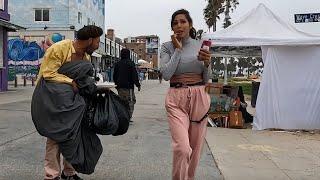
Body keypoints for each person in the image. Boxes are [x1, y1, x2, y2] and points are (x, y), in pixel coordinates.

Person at [36, 25, 103, 180]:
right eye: (98, 41)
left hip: (74, 101)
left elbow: (82, 80)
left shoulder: (85, 56)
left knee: (74, 135)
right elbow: (48, 73)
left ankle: (69, 172)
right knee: (55, 136)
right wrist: (70, 81)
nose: (98, 45)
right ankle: (51, 175)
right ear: (90, 40)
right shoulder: (59, 49)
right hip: (52, 98)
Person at [160, 9, 212, 180]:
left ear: (190, 24)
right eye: (175, 23)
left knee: (195, 149)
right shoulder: (167, 47)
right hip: (176, 98)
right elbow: (166, 74)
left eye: (183, 21)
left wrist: (206, 63)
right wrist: (178, 49)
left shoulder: (200, 45)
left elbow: (207, 79)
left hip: (199, 97)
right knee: (182, 148)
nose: (179, 25)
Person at [113, 48, 141, 122]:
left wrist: (116, 84)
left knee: (121, 101)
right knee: (130, 101)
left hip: (119, 87)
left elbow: (114, 75)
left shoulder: (118, 64)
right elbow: (134, 75)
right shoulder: (131, 63)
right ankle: (127, 117)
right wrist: (138, 84)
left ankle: (122, 116)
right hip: (129, 87)